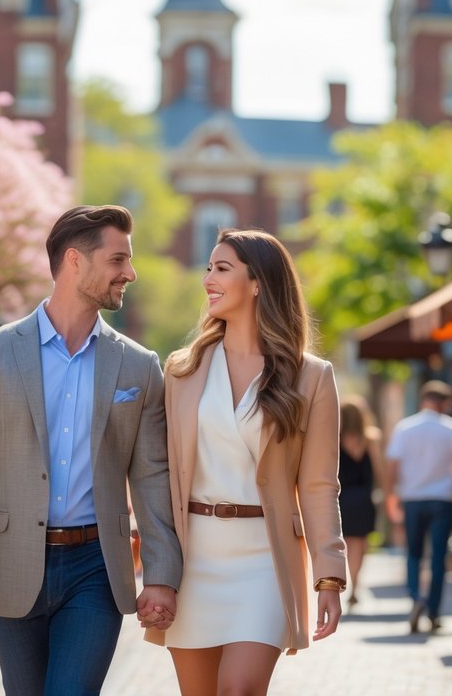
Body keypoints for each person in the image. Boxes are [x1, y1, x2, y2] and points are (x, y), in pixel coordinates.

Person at [0, 205, 183, 696]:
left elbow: (153, 475)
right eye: (117, 260)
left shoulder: (138, 366)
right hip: (10, 562)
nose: (129, 273)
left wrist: (161, 573)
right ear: (75, 261)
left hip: (97, 567)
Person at [146, 228, 347, 695]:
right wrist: (152, 562)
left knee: (239, 689)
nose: (207, 279)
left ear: (258, 282)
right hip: (193, 560)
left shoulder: (311, 377)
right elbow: (157, 471)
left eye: (221, 268)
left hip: (264, 559)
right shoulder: (181, 370)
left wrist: (329, 576)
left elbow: (319, 485)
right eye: (208, 267)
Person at [386, 379, 452, 634]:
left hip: (413, 498)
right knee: (439, 557)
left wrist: (390, 496)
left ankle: (416, 597)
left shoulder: (404, 428)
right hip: (443, 499)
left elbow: (392, 466)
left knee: (414, 554)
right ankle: (434, 611)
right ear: (445, 403)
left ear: (423, 400)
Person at [338, 394, 384, 606]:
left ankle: (342, 582)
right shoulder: (371, 439)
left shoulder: (334, 438)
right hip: (364, 498)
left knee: (342, 543)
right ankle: (355, 585)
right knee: (360, 545)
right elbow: (379, 471)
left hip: (341, 497)